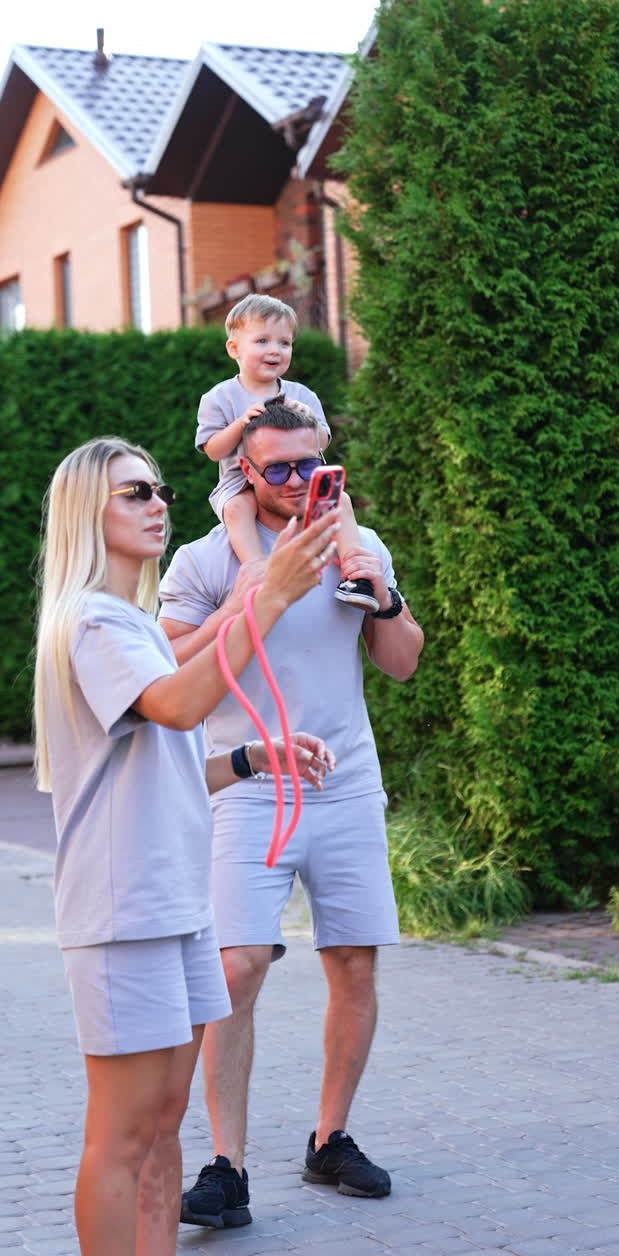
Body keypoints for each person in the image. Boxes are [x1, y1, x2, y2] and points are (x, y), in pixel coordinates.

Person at [33, 435, 339, 1256]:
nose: (158, 502)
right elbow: (173, 702)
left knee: (165, 1131)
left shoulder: (128, 622)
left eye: (160, 489)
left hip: (176, 906)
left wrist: (253, 757)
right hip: (122, 913)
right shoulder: (91, 622)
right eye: (134, 492)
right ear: (84, 511)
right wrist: (266, 598)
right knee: (124, 1136)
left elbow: (165, 763)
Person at [159, 402, 424, 1229]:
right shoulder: (209, 557)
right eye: (278, 469)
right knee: (237, 967)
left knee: (354, 966)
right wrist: (247, 597)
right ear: (245, 474)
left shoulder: (359, 543)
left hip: (345, 785)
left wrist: (381, 600)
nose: (299, 482)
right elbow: (160, 667)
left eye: (311, 466)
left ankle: (330, 1139)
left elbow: (404, 663)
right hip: (248, 788)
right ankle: (225, 1167)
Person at [196, 292, 379, 611]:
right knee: (238, 509)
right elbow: (213, 450)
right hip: (241, 483)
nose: (275, 350)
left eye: (284, 343)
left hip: (301, 478)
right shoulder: (220, 397)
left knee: (342, 500)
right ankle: (258, 572)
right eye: (262, 341)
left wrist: (306, 419)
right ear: (234, 348)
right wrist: (240, 424)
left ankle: (355, 575)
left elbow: (322, 442)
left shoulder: (301, 394)